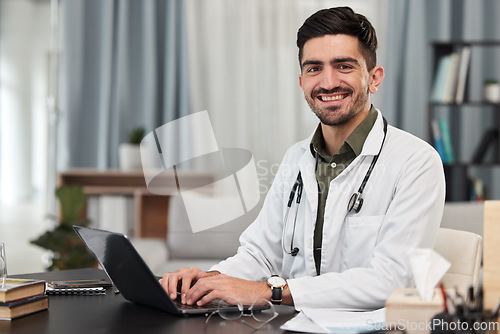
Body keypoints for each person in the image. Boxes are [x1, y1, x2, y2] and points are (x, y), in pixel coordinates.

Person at [159, 6, 445, 310]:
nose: (328, 82)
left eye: (344, 66)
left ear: (374, 79)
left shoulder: (416, 161)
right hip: (293, 325)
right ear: (302, 83)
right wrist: (207, 280)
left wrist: (271, 292)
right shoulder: (295, 157)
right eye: (314, 68)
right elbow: (260, 253)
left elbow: (391, 280)